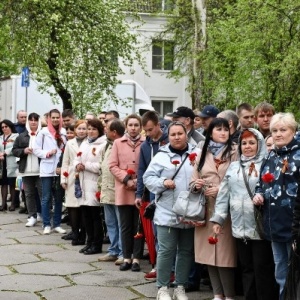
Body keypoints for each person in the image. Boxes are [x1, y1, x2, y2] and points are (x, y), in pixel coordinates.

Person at [211, 128, 278, 300]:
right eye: (244, 143)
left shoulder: (267, 163)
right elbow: (224, 194)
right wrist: (218, 219)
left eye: (251, 143)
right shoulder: (234, 167)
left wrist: (262, 196)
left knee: (262, 268)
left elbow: (273, 190)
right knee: (246, 268)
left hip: (259, 225)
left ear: (259, 144)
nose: (247, 146)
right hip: (239, 226)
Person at [143, 121, 199, 300]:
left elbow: (203, 174)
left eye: (180, 134)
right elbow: (148, 177)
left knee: (185, 251)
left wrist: (198, 186)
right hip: (167, 211)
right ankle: (163, 288)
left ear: (185, 134)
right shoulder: (161, 155)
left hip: (189, 211)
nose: (176, 137)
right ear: (169, 136)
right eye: (173, 134)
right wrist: (162, 183)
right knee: (166, 251)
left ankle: (180, 287)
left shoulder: (196, 153)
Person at [190, 118, 238, 300]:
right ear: (210, 133)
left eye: (226, 129)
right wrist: (198, 185)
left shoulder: (235, 151)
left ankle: (230, 295)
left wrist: (221, 189)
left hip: (227, 211)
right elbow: (193, 180)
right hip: (205, 209)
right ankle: (217, 294)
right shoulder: (203, 151)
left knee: (226, 255)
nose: (224, 132)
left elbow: (239, 178)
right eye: (219, 129)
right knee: (208, 253)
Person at [253, 112, 300, 300]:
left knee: (295, 273)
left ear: (293, 131)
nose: (278, 134)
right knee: (280, 272)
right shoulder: (271, 155)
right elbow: (261, 183)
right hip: (273, 224)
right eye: (274, 131)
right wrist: (259, 194)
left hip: (294, 225)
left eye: (283, 130)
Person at [135, 110, 169, 281]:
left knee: (168, 233)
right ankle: (158, 265)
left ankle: (172, 268)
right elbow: (141, 170)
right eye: (145, 131)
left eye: (150, 130)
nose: (148, 134)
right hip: (152, 195)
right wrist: (139, 193)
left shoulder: (169, 142)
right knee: (156, 232)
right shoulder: (144, 146)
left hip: (169, 193)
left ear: (158, 125)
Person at [109, 114, 145, 272]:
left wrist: (138, 182)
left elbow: (147, 164)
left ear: (141, 127)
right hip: (123, 189)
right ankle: (126, 257)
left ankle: (137, 258)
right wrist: (126, 179)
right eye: (130, 125)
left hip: (140, 189)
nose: (133, 128)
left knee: (138, 225)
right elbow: (112, 165)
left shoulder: (145, 143)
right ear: (126, 126)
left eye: (136, 125)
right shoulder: (118, 143)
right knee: (125, 226)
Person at [74, 118, 106, 254]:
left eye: (94, 129)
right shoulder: (85, 143)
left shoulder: (103, 144)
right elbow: (77, 157)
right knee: (86, 215)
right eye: (89, 129)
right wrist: (77, 165)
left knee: (95, 216)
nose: (91, 132)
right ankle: (89, 241)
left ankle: (96, 244)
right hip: (83, 183)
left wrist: (85, 166)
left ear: (99, 131)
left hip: (94, 183)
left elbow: (101, 165)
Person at [33, 109, 67, 235]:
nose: (55, 120)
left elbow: (66, 151)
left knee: (58, 198)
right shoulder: (43, 132)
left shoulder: (63, 132)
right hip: (46, 169)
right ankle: (46, 224)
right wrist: (47, 153)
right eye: (53, 117)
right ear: (49, 118)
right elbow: (36, 150)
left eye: (57, 117)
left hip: (59, 170)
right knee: (46, 197)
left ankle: (57, 224)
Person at [97, 119, 125, 265]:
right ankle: (113, 250)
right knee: (111, 223)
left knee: (121, 223)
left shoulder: (122, 145)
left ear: (114, 132)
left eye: (107, 128)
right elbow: (103, 168)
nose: (105, 130)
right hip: (107, 190)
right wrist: (100, 186)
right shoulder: (107, 146)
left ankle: (122, 252)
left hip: (118, 191)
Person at [12, 113, 42, 226]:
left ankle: (43, 214)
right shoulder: (22, 136)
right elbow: (14, 150)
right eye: (31, 120)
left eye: (35, 120)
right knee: (28, 194)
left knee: (42, 194)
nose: (33, 122)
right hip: (26, 170)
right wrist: (23, 151)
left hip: (40, 170)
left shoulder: (43, 134)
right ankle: (32, 216)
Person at [61, 121, 87, 245]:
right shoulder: (70, 143)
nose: (81, 131)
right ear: (75, 130)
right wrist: (63, 179)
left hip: (85, 175)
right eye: (79, 128)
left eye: (84, 128)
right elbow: (65, 162)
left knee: (83, 206)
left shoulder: (89, 142)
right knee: (72, 205)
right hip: (71, 175)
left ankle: (83, 233)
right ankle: (75, 231)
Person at [0, 120, 19, 211]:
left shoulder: (16, 136)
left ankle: (13, 204)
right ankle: (3, 204)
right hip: (2, 163)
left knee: (12, 183)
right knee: (3, 184)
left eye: (6, 126)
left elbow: (15, 147)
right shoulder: (0, 137)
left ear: (10, 127)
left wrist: (5, 152)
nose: (4, 128)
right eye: (2, 127)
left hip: (12, 163)